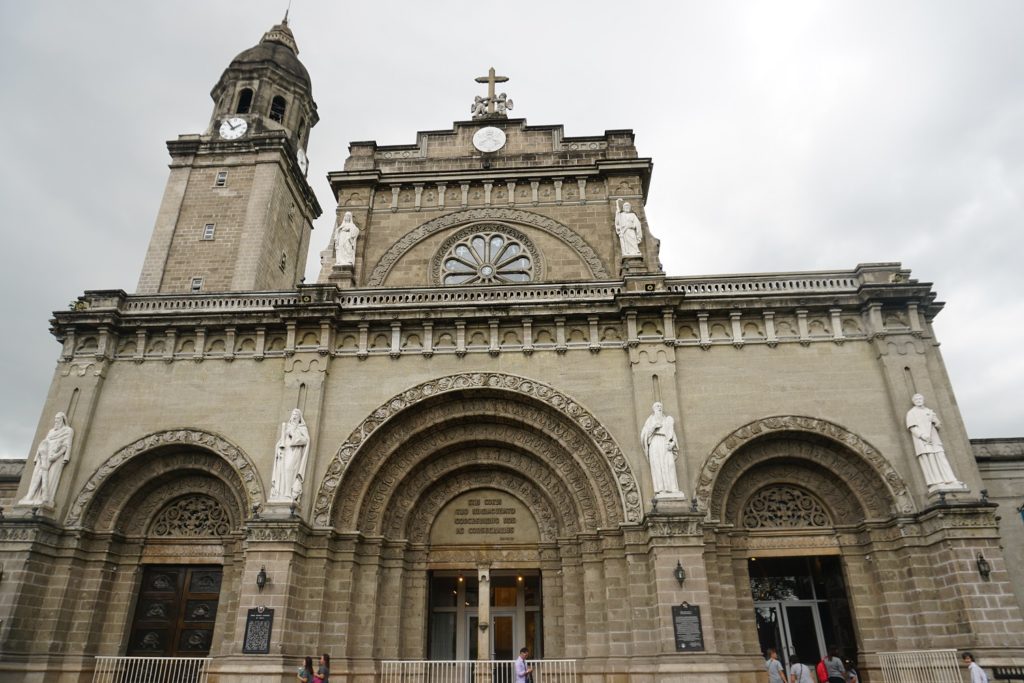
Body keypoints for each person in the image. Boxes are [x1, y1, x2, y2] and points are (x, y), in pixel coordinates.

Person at [905, 393, 963, 491]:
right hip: (923, 440)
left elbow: (938, 424)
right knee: (930, 459)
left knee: (941, 456)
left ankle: (950, 479)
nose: (919, 400)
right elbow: (912, 427)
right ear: (913, 402)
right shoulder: (912, 413)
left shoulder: (929, 411)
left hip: (934, 438)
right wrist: (922, 435)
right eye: (916, 399)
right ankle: (937, 481)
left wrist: (936, 421)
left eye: (920, 398)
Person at [20, 412, 74, 507]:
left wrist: (56, 455)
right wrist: (39, 456)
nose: (56, 421)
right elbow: (44, 443)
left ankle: (46, 496)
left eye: (58, 419)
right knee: (37, 475)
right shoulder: (51, 431)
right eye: (55, 419)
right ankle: (31, 495)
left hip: (56, 457)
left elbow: (66, 446)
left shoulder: (68, 431)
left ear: (63, 420)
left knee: (50, 477)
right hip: (44, 456)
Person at [640, 402, 681, 495]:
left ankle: (673, 488)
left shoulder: (667, 420)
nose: (659, 408)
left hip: (665, 443)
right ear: (653, 408)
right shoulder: (650, 420)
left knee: (669, 464)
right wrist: (653, 427)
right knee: (657, 465)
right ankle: (661, 489)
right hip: (655, 442)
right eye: (657, 406)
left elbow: (673, 435)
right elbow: (643, 435)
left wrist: (672, 444)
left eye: (661, 406)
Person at [270, 409, 311, 502]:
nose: (294, 415)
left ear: (300, 417)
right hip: (285, 452)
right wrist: (279, 450)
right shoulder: (287, 427)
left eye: (296, 414)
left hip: (294, 452)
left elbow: (305, 440)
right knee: (282, 471)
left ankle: (288, 492)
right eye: (293, 414)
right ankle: (281, 493)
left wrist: (293, 434)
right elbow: (281, 441)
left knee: (289, 469)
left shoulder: (302, 428)